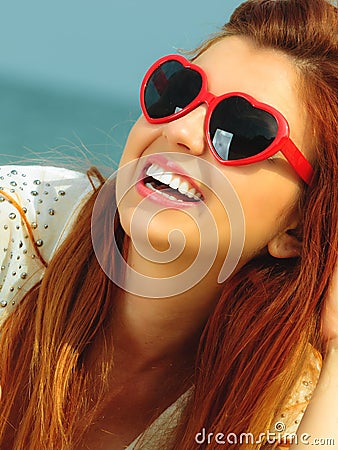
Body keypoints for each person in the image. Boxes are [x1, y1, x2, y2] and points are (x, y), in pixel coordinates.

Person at [0, 0, 337, 448]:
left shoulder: (286, 400)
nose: (182, 130)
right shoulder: (20, 224)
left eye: (243, 130)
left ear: (296, 228)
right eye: (179, 92)